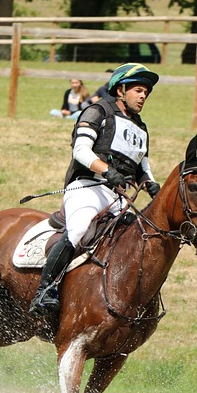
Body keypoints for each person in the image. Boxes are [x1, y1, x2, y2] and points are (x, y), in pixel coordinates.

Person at [30, 62, 161, 316]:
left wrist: (153, 187)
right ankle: (45, 291)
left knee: (137, 239)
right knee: (78, 230)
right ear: (120, 90)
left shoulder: (141, 129)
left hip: (119, 197)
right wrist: (107, 171)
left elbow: (143, 168)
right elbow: (80, 151)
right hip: (87, 187)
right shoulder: (97, 111)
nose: (143, 95)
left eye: (146, 91)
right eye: (138, 90)